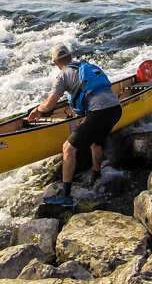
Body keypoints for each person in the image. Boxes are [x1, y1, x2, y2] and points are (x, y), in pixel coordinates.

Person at [27, 44, 123, 207]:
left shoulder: (63, 76)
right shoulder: (86, 67)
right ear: (70, 57)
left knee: (68, 148)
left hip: (99, 112)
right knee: (95, 142)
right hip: (115, 109)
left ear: (55, 62)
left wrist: (37, 110)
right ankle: (96, 174)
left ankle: (65, 195)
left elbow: (49, 105)